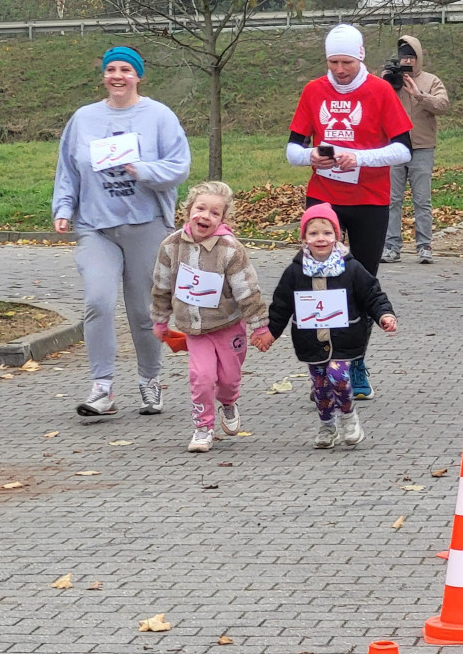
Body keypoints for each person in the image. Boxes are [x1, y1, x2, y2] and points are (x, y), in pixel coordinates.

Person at [52, 45, 191, 418]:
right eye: (111, 69)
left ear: (138, 76)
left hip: (146, 225)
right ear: (103, 75)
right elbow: (68, 168)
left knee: (144, 312)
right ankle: (102, 388)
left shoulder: (159, 116)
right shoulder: (83, 118)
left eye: (126, 70)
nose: (117, 76)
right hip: (95, 226)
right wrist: (63, 208)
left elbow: (179, 167)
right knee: (97, 302)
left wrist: (141, 169)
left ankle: (150, 380)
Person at [285, 23, 411, 400]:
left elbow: (403, 149)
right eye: (333, 62)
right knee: (319, 282)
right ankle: (323, 368)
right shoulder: (313, 91)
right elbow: (291, 149)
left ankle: (355, 361)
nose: (340, 70)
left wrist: (359, 157)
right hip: (324, 199)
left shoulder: (379, 90)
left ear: (361, 57)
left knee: (360, 283)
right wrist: (313, 157)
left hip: (370, 200)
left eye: (347, 62)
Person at [252, 204, 397, 448]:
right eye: (314, 234)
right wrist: (270, 333)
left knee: (338, 376)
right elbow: (281, 305)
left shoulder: (351, 267)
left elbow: (372, 294)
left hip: (345, 337)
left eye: (327, 233)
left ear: (337, 236)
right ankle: (327, 425)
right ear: (304, 238)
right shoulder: (295, 271)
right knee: (319, 386)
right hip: (311, 339)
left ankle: (349, 418)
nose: (321, 239)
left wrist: (385, 314)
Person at [150, 181, 270, 453]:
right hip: (195, 329)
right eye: (200, 208)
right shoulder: (171, 246)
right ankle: (203, 427)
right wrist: (160, 320)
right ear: (188, 210)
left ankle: (228, 402)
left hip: (228, 325)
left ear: (223, 219)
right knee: (201, 377)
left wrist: (259, 327)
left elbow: (247, 290)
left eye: (214, 213)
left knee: (227, 379)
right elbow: (161, 285)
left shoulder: (230, 250)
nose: (205, 216)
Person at [381, 35, 450, 265]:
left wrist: (419, 95)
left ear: (418, 58)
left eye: (411, 57)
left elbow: (443, 105)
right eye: (404, 58)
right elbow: (373, 102)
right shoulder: (391, 80)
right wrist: (385, 83)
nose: (407, 62)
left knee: (422, 199)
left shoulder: (431, 81)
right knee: (392, 200)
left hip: (422, 147)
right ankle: (391, 246)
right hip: (394, 147)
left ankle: (424, 246)